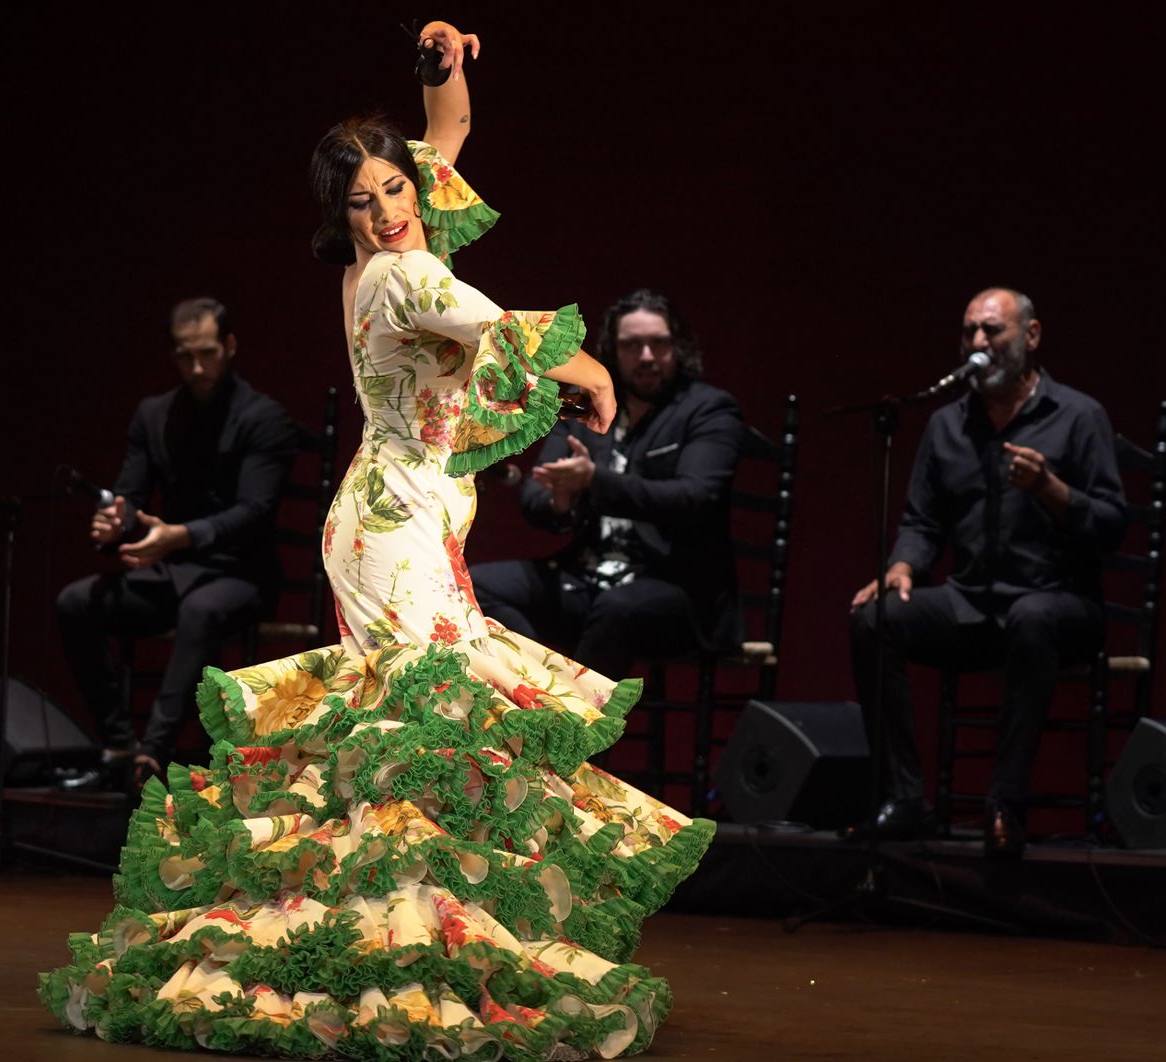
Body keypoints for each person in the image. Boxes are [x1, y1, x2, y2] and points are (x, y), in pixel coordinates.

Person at [43, 21, 711, 1059]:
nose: (390, 210)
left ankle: (399, 950)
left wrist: (442, 74)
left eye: (396, 190)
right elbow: (497, 327)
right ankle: (384, 964)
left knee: (415, 750)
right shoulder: (401, 278)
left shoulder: (394, 245)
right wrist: (590, 376)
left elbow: (441, 138)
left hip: (397, 518)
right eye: (363, 202)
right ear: (338, 215)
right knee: (415, 745)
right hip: (392, 528)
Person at [844, 287, 1124, 857]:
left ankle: (1005, 804)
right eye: (970, 331)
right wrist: (902, 565)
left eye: (991, 331)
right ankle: (905, 800)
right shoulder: (948, 425)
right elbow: (923, 522)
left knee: (1032, 617)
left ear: (1031, 335)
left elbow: (1113, 526)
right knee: (873, 619)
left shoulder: (1078, 416)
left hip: (1059, 603)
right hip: (973, 602)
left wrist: (1052, 490)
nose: (977, 343)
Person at [54, 297, 297, 789]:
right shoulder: (155, 415)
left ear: (230, 346)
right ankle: (120, 744)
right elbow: (131, 496)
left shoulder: (264, 417)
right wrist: (116, 526)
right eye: (186, 357)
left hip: (239, 573)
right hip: (172, 569)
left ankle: (154, 754)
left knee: (201, 610)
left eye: (207, 353)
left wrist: (178, 536)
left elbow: (254, 512)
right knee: (76, 602)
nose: (198, 367)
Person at [470, 289, 745, 680]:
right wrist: (561, 501)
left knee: (618, 608)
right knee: (479, 586)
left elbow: (694, 497)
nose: (646, 356)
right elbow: (535, 494)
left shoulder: (706, 409)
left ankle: (577, 726)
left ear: (677, 346)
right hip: (590, 579)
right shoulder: (588, 405)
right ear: (613, 351)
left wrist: (595, 482)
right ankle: (548, 692)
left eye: (658, 344)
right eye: (632, 345)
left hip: (675, 589)